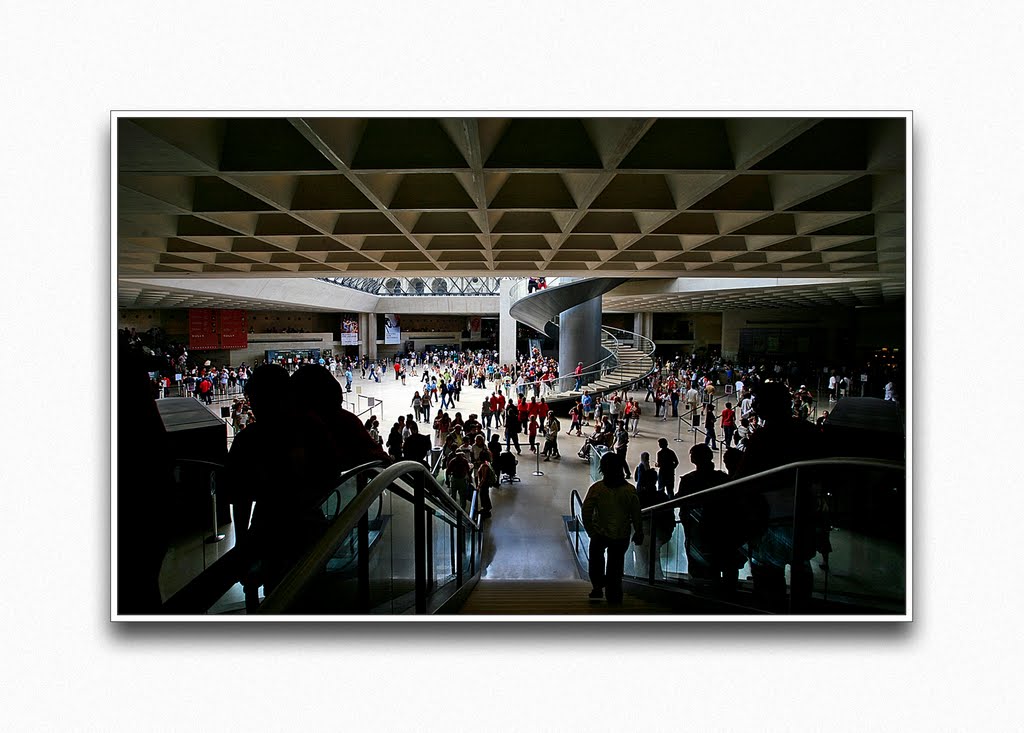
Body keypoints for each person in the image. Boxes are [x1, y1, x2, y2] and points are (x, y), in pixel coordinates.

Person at [581, 452, 643, 605]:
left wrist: (591, 531)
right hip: (621, 534)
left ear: (602, 469)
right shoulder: (629, 490)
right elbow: (636, 513)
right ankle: (613, 594)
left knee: (596, 561)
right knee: (615, 564)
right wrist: (639, 530)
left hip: (599, 533)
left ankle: (597, 587)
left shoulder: (597, 488)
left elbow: (586, 510)